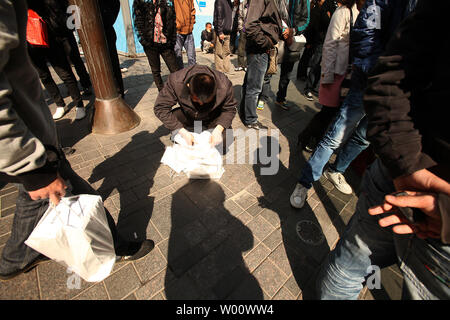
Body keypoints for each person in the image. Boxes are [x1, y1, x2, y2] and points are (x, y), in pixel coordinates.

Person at [0, 0, 154, 281]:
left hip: (31, 139)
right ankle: (113, 247)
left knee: (36, 193)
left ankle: (14, 259)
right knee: (60, 189)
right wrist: (29, 167)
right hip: (27, 144)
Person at [317, 0, 450, 299]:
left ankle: (335, 169)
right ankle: (311, 177)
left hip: (402, 151)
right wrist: (404, 162)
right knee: (336, 134)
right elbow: (387, 60)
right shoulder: (374, 7)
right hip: (404, 160)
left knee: (358, 137)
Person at [290, 0, 417, 207]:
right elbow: (365, 33)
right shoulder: (358, 9)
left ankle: (336, 170)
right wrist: (377, 70)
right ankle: (304, 182)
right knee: (335, 134)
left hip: (398, 92)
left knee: (365, 138)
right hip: (370, 79)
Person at [298, 0, 362, 151]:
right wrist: (326, 75)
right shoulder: (343, 12)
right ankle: (308, 138)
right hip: (337, 72)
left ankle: (312, 138)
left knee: (336, 113)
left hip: (351, 74)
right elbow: (330, 44)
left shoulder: (366, 14)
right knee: (328, 111)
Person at [154, 64, 237, 152]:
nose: (201, 104)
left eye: (206, 100)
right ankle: (189, 131)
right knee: (174, 119)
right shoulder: (176, 81)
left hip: (212, 116)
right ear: (189, 86)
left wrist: (218, 130)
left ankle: (201, 130)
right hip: (188, 115)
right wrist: (182, 131)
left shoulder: (224, 85)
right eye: (196, 99)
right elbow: (160, 108)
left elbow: (230, 109)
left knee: (224, 141)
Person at [27, 1, 87, 121]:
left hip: (50, 35)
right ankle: (60, 104)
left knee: (65, 72)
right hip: (29, 41)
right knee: (44, 76)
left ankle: (79, 103)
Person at [239, 0, 282, 130]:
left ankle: (246, 115)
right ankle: (250, 119)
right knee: (254, 87)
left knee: (251, 84)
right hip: (259, 49)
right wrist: (265, 43)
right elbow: (251, 25)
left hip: (260, 48)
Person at [133, 0, 180, 92]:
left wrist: (172, 39)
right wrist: (143, 40)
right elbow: (137, 22)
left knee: (175, 70)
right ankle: (162, 93)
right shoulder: (140, 2)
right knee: (156, 70)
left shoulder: (168, 1)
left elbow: (172, 21)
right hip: (150, 43)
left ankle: (180, 91)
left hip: (166, 43)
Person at [273, 0, 310, 110]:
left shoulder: (304, 1)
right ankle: (261, 98)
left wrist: (293, 31)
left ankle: (280, 99)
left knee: (287, 73)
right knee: (268, 70)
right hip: (276, 36)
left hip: (292, 40)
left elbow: (306, 21)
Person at [302, 0, 332, 101]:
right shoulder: (326, 5)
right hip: (321, 40)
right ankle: (308, 88)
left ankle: (314, 86)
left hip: (331, 42)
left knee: (321, 66)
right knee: (315, 63)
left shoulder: (338, 7)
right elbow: (319, 22)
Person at [98, 0, 125, 97]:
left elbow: (115, 4)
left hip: (106, 32)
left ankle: (119, 93)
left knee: (113, 64)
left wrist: (108, 20)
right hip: (91, 37)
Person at [173, 0, 197, 69]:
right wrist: (176, 25)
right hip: (177, 32)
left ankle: (192, 75)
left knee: (192, 56)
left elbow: (193, 11)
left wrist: (192, 23)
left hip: (189, 31)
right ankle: (180, 75)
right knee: (178, 56)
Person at [213, 0, 234, 74]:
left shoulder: (229, 2)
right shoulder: (220, 1)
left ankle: (226, 69)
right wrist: (220, 32)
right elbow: (219, 17)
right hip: (221, 31)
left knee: (227, 52)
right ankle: (219, 72)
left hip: (227, 31)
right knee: (219, 53)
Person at [235, 0, 249, 71]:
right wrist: (240, 27)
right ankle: (240, 64)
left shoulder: (256, 3)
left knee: (249, 48)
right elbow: (240, 16)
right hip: (244, 29)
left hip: (253, 30)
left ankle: (247, 64)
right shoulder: (243, 3)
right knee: (241, 48)